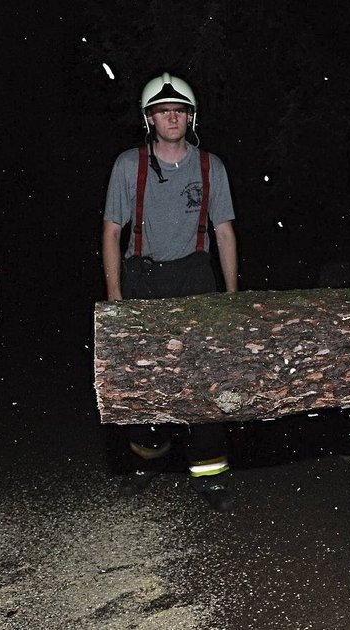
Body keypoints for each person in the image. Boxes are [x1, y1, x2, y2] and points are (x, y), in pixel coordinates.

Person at [102, 72, 239, 512]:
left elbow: (224, 232)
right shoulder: (129, 165)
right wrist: (116, 298)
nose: (172, 117)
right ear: (150, 119)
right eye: (164, 111)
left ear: (191, 116)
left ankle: (210, 471)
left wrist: (232, 296)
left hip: (195, 276)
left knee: (205, 378)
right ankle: (145, 459)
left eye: (179, 110)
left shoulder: (210, 165)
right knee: (145, 379)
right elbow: (110, 233)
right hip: (143, 276)